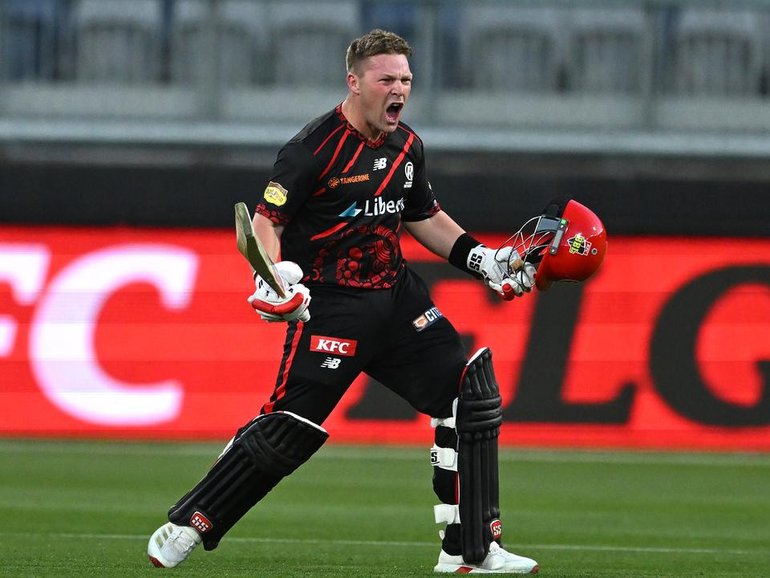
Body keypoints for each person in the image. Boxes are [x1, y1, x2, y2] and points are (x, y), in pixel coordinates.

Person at [147, 29, 539, 574]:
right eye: (387, 79)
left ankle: (469, 551)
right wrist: (276, 275)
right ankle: (191, 521)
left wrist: (483, 260)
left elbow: (423, 216)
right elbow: (266, 221)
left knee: (468, 396)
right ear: (354, 83)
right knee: (290, 430)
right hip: (332, 304)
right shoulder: (311, 149)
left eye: (405, 79)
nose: (399, 89)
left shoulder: (408, 146)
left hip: (397, 299)